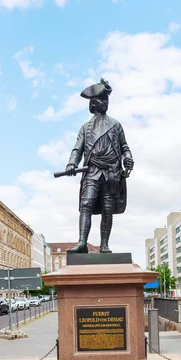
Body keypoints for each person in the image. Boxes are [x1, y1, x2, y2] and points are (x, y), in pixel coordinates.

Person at [64, 78, 134, 253]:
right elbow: (77, 150)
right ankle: (82, 242)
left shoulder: (116, 125)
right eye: (102, 100)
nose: (105, 103)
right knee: (86, 204)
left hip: (111, 173)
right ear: (93, 103)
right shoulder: (85, 128)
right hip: (92, 171)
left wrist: (128, 158)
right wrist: (72, 163)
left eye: (106, 100)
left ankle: (104, 244)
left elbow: (125, 147)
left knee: (107, 209)